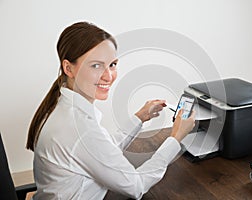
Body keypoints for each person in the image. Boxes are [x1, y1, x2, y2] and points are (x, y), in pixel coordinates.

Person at [26, 21, 195, 200]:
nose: (108, 76)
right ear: (69, 68)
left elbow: (102, 150)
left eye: (112, 64)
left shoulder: (63, 107)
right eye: (96, 66)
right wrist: (175, 138)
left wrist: (140, 118)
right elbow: (136, 186)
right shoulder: (79, 128)